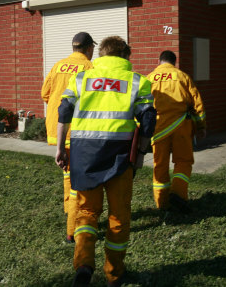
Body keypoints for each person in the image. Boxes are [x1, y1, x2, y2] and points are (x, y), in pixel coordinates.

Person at [55, 36, 156, 287]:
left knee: (87, 212)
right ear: (126, 55)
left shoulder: (81, 78)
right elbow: (148, 120)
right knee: (119, 215)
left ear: (100, 54)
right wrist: (142, 153)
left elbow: (63, 112)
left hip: (83, 154)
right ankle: (114, 274)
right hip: (120, 157)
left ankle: (84, 264)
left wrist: (60, 148)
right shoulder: (137, 81)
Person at [41, 32, 96, 243]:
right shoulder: (90, 68)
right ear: (89, 48)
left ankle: (68, 208)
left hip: (58, 128)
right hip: (77, 130)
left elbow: (45, 94)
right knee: (77, 180)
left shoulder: (58, 65)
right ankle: (72, 226)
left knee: (67, 171)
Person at [147, 50, 206, 212]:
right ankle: (178, 194)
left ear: (159, 61)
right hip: (181, 125)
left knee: (160, 166)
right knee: (183, 161)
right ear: (174, 62)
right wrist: (200, 126)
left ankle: (162, 203)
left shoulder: (149, 78)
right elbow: (197, 104)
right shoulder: (182, 77)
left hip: (158, 129)